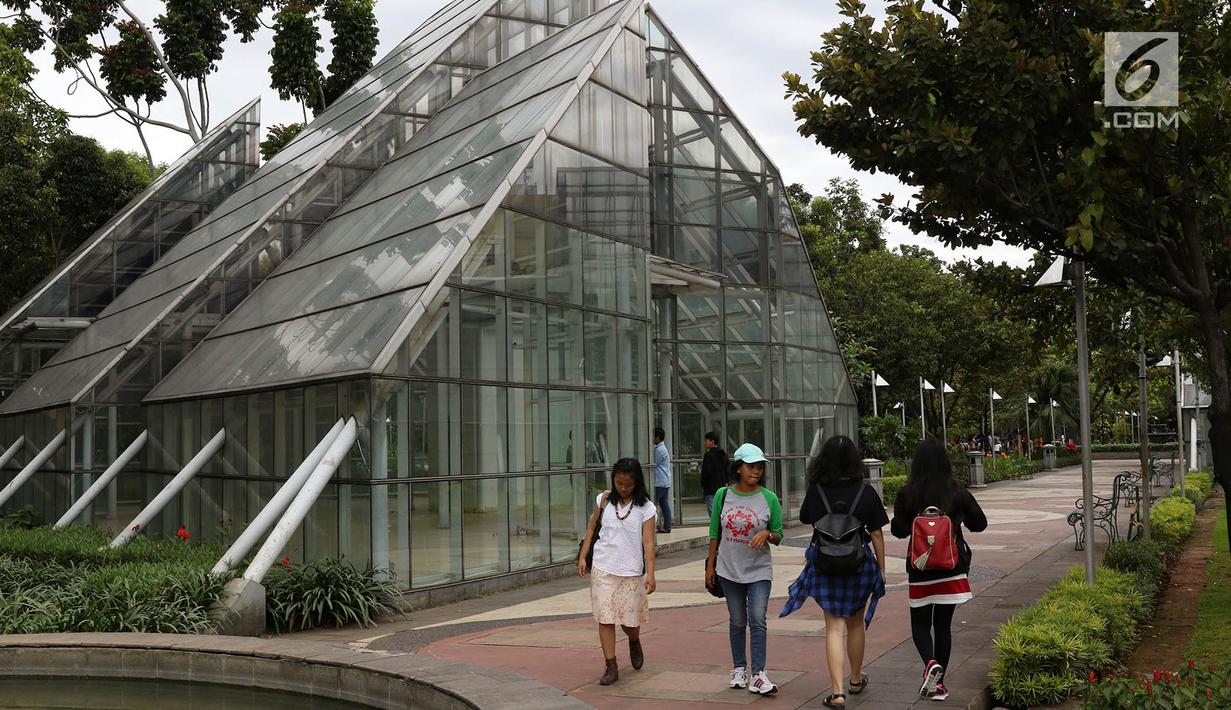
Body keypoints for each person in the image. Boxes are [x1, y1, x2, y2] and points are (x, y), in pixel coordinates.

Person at [779, 435, 888, 709]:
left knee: (833, 627)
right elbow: (876, 533)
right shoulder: (866, 492)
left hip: (825, 565)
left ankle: (837, 693)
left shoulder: (817, 491)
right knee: (855, 623)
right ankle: (854, 679)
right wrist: (882, 570)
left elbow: (808, 519)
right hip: (859, 565)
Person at [890, 438, 988, 702]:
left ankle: (929, 663)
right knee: (943, 627)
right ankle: (939, 684)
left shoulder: (907, 494)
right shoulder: (957, 492)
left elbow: (898, 530)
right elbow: (980, 524)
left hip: (920, 571)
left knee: (920, 626)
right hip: (952, 570)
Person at [705, 443, 783, 695]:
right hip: (729, 569)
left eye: (760, 466)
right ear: (738, 468)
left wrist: (767, 534)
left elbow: (779, 534)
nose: (756, 471)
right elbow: (715, 532)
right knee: (737, 621)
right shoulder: (722, 495)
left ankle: (759, 674)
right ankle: (739, 668)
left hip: (759, 570)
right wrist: (710, 564)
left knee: (757, 618)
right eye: (751, 466)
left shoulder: (769, 498)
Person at [577, 457, 658, 686]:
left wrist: (650, 573)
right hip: (603, 566)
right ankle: (610, 665)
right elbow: (592, 527)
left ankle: (634, 640)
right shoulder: (603, 500)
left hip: (631, 570)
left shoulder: (646, 508)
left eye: (628, 484)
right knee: (605, 617)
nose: (623, 488)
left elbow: (648, 543)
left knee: (628, 620)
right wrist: (583, 556)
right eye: (619, 483)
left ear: (637, 483)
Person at [700, 431, 730, 516]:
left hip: (710, 488)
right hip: (721, 486)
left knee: (712, 510)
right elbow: (727, 470)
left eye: (706, 441)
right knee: (721, 509)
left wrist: (703, 485)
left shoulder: (708, 455)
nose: (705, 443)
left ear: (712, 441)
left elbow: (706, 472)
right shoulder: (723, 454)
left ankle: (715, 528)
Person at [653, 427, 672, 533]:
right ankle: (667, 526)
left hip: (659, 481)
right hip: (665, 480)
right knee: (664, 504)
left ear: (658, 437)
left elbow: (654, 463)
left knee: (652, 504)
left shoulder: (659, 450)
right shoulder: (663, 448)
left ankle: (652, 526)